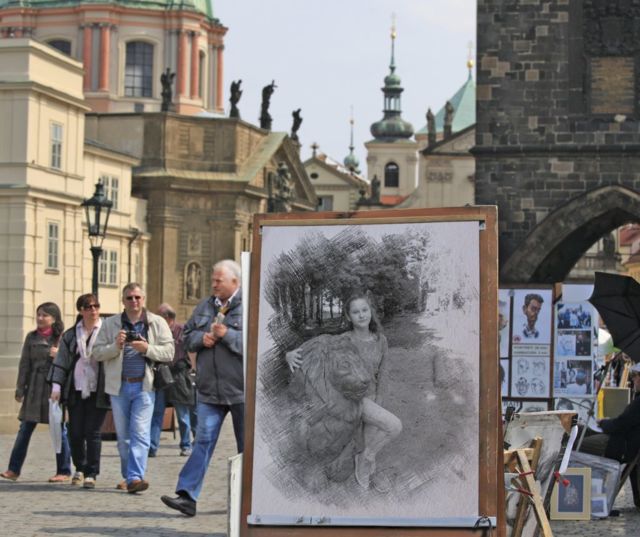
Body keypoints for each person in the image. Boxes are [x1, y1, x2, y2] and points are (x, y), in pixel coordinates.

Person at [286, 293, 402, 492]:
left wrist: (380, 401)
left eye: (364, 310)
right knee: (394, 425)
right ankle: (363, 460)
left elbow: (383, 374)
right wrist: (289, 355)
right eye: (356, 312)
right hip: (351, 401)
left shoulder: (381, 340)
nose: (361, 315)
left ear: (371, 312)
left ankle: (365, 461)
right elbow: (314, 350)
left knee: (370, 441)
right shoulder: (343, 339)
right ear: (349, 316)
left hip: (373, 399)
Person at [161, 259, 244, 517]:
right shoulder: (205, 306)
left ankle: (251, 502)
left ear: (235, 282)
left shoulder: (249, 306)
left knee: (247, 449)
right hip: (209, 390)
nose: (214, 284)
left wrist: (227, 335)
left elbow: (254, 343)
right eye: (213, 280)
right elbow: (186, 337)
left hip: (242, 391)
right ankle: (187, 496)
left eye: (219, 280)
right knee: (202, 441)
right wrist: (202, 338)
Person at [92, 283, 174, 493]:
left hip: (144, 386)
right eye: (129, 298)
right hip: (119, 387)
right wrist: (115, 346)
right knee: (124, 438)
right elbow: (97, 353)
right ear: (123, 301)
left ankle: (135, 477)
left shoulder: (156, 322)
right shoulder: (111, 324)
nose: (134, 301)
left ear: (143, 299)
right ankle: (128, 476)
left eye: (137, 297)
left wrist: (147, 348)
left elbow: (169, 352)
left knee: (140, 433)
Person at [1, 303, 71, 482]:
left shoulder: (62, 338)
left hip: (53, 389)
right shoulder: (31, 337)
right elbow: (24, 364)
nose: (40, 318)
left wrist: (59, 355)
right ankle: (13, 469)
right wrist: (20, 388)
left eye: (44, 315)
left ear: (54, 318)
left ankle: (63, 470)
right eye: (38, 314)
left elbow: (71, 363)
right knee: (24, 429)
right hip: (33, 389)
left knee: (59, 430)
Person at [48, 294, 108, 489]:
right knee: (75, 432)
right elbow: (61, 362)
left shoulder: (106, 331)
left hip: (98, 389)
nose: (93, 310)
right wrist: (56, 387)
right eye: (89, 307)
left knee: (93, 432)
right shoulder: (71, 334)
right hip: (75, 388)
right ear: (81, 310)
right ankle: (80, 468)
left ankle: (91, 472)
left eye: (96, 306)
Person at [580, 362, 640, 508]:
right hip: (623, 442)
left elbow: (620, 424)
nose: (633, 379)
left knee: (576, 443)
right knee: (581, 431)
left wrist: (603, 423)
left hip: (619, 445)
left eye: (635, 376)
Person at [149, 303, 196, 457]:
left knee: (182, 414)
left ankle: (186, 445)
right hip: (162, 374)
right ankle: (152, 447)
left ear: (167, 318)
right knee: (157, 413)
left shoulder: (182, 331)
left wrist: (192, 369)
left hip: (179, 375)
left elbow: (192, 350)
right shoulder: (156, 332)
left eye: (158, 316)